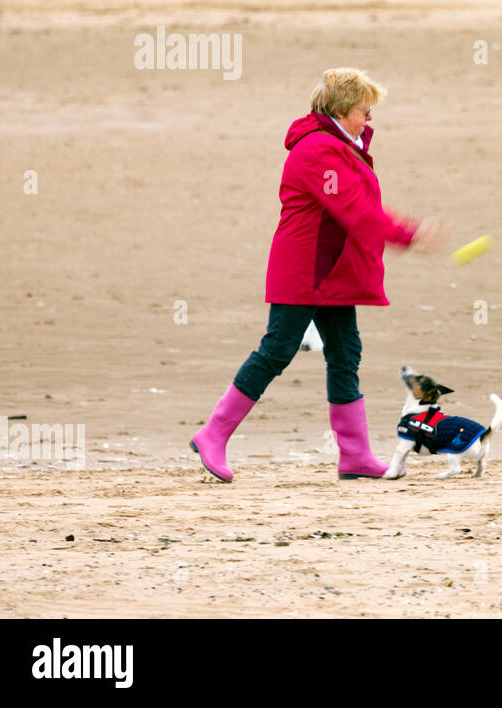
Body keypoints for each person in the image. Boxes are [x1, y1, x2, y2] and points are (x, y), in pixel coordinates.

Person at [190, 68, 445, 481]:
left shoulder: (343, 145)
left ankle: (355, 455)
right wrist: (408, 234)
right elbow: (357, 211)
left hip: (333, 272)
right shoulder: (317, 151)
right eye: (365, 111)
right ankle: (213, 435)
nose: (369, 119)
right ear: (342, 111)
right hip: (306, 270)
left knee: (346, 354)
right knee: (277, 350)